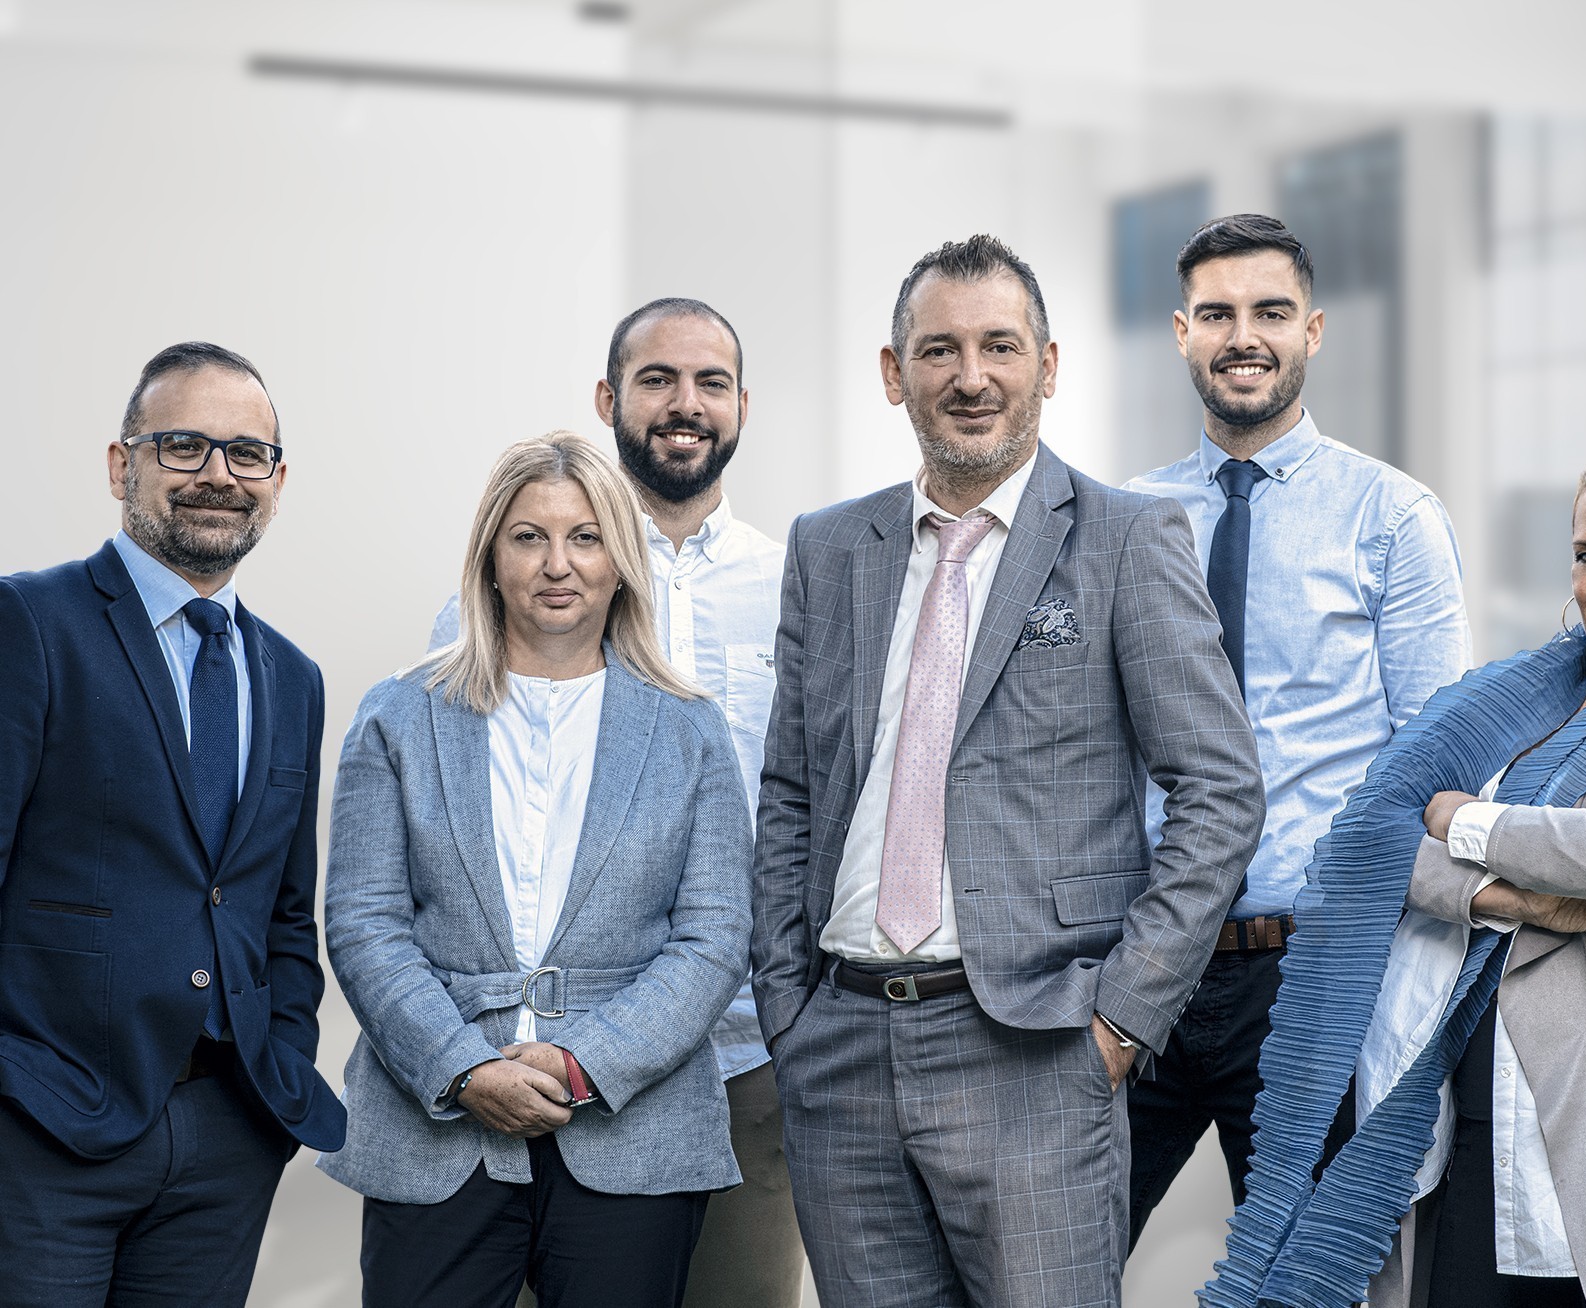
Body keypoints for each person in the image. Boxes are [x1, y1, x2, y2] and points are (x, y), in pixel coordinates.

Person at [752, 233, 1265, 1308]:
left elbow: (1220, 790)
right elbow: (792, 789)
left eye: (1000, 346)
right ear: (894, 373)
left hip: (1038, 1049)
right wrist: (788, 1008)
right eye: (939, 350)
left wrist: (1120, 1021)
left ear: (1049, 365)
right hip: (840, 1047)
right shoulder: (829, 549)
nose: (971, 377)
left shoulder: (1127, 539)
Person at [1207, 439, 1586, 1308]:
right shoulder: (1504, 706)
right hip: (1477, 1110)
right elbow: (1365, 846)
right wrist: (1502, 895)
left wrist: (1465, 820)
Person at [321, 432, 753, 1308]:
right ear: (490, 558)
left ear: (621, 562)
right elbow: (364, 924)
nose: (559, 564)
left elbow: (714, 939)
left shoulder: (690, 728)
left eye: (586, 537)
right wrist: (462, 1066)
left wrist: (579, 1061)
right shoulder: (398, 716)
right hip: (435, 1129)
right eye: (529, 537)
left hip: (634, 1136)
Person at [431, 300, 800, 1306]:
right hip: (541, 1057)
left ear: (742, 405)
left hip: (743, 1053)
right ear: (608, 399)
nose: (685, 404)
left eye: (711, 383)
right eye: (656, 380)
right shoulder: (511, 590)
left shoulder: (794, 587)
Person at [1123, 213, 1471, 1246]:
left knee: (1299, 1275)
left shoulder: (1392, 517)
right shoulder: (1125, 521)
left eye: (1271, 312)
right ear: (1182, 333)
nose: (1245, 337)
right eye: (1218, 315)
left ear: (1312, 330)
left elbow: (1438, 758)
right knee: (1055, 1262)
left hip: (1306, 973)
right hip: (1142, 960)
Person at [0, 342, 346, 1306]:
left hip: (225, 1141)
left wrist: (278, 1070)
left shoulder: (292, 677)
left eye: (247, 453)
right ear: (123, 465)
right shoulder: (29, 623)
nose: (217, 475)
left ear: (277, 481)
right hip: (40, 1134)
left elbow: (282, 911)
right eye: (184, 445)